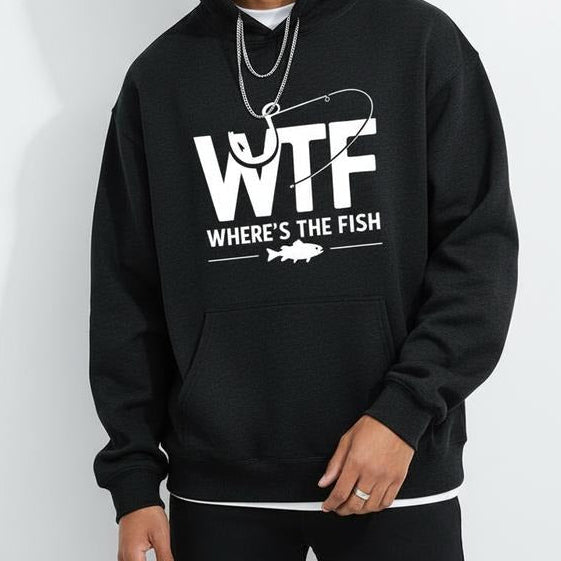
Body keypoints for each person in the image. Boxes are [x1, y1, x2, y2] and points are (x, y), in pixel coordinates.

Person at [89, 0, 518, 559]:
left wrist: (404, 411)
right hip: (220, 490)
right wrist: (133, 481)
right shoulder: (159, 76)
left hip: (394, 474)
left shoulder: (419, 40)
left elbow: (479, 250)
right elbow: (126, 290)